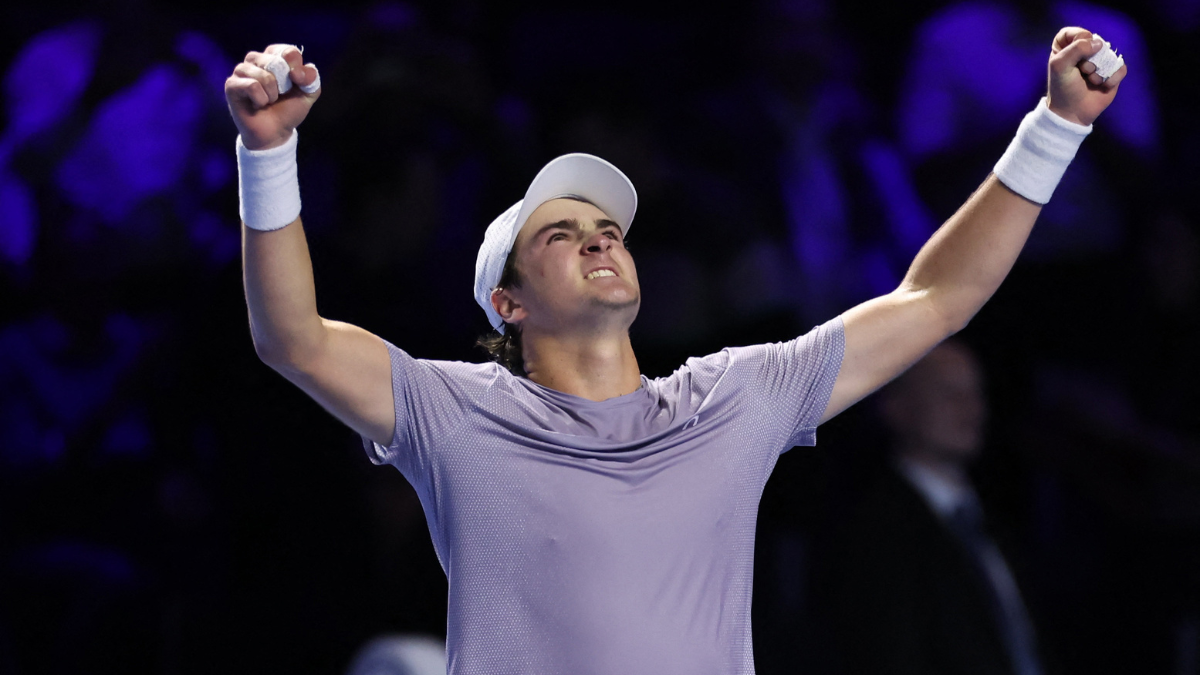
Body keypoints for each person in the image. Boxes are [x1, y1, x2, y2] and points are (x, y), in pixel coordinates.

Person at [225, 27, 1126, 674]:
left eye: (609, 227)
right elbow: (292, 337)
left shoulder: (734, 397)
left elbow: (939, 296)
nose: (599, 240)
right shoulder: (454, 410)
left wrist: (1056, 127)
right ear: (509, 302)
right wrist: (268, 151)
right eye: (560, 235)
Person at [818, 340, 1047, 675]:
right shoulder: (878, 533)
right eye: (948, 393)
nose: (970, 407)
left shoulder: (997, 514)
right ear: (897, 406)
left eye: (975, 391)